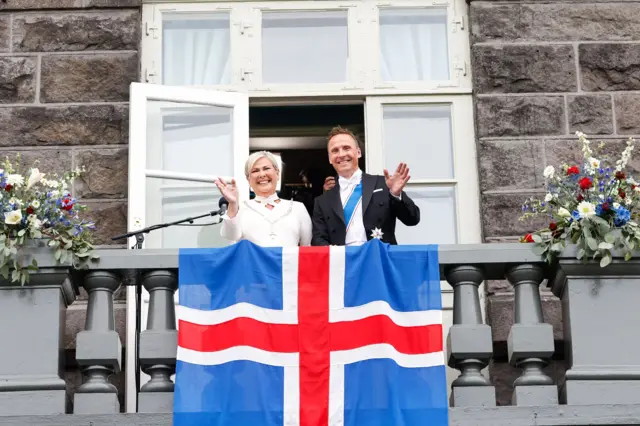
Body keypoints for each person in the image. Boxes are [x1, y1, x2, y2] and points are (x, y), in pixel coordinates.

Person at [311, 126, 420, 246]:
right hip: (344, 262)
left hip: (379, 260)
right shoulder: (322, 201)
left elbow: (412, 219)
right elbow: (318, 240)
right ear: (330, 158)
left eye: (346, 148)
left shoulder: (383, 184)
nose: (341, 154)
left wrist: (395, 194)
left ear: (358, 152)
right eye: (335, 150)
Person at [214, 151, 312, 247]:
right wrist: (233, 203)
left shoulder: (298, 208)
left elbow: (307, 249)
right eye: (255, 171)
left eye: (266, 168)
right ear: (248, 179)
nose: (262, 174)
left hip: (287, 263)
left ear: (277, 173)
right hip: (252, 263)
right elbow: (230, 236)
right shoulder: (240, 208)